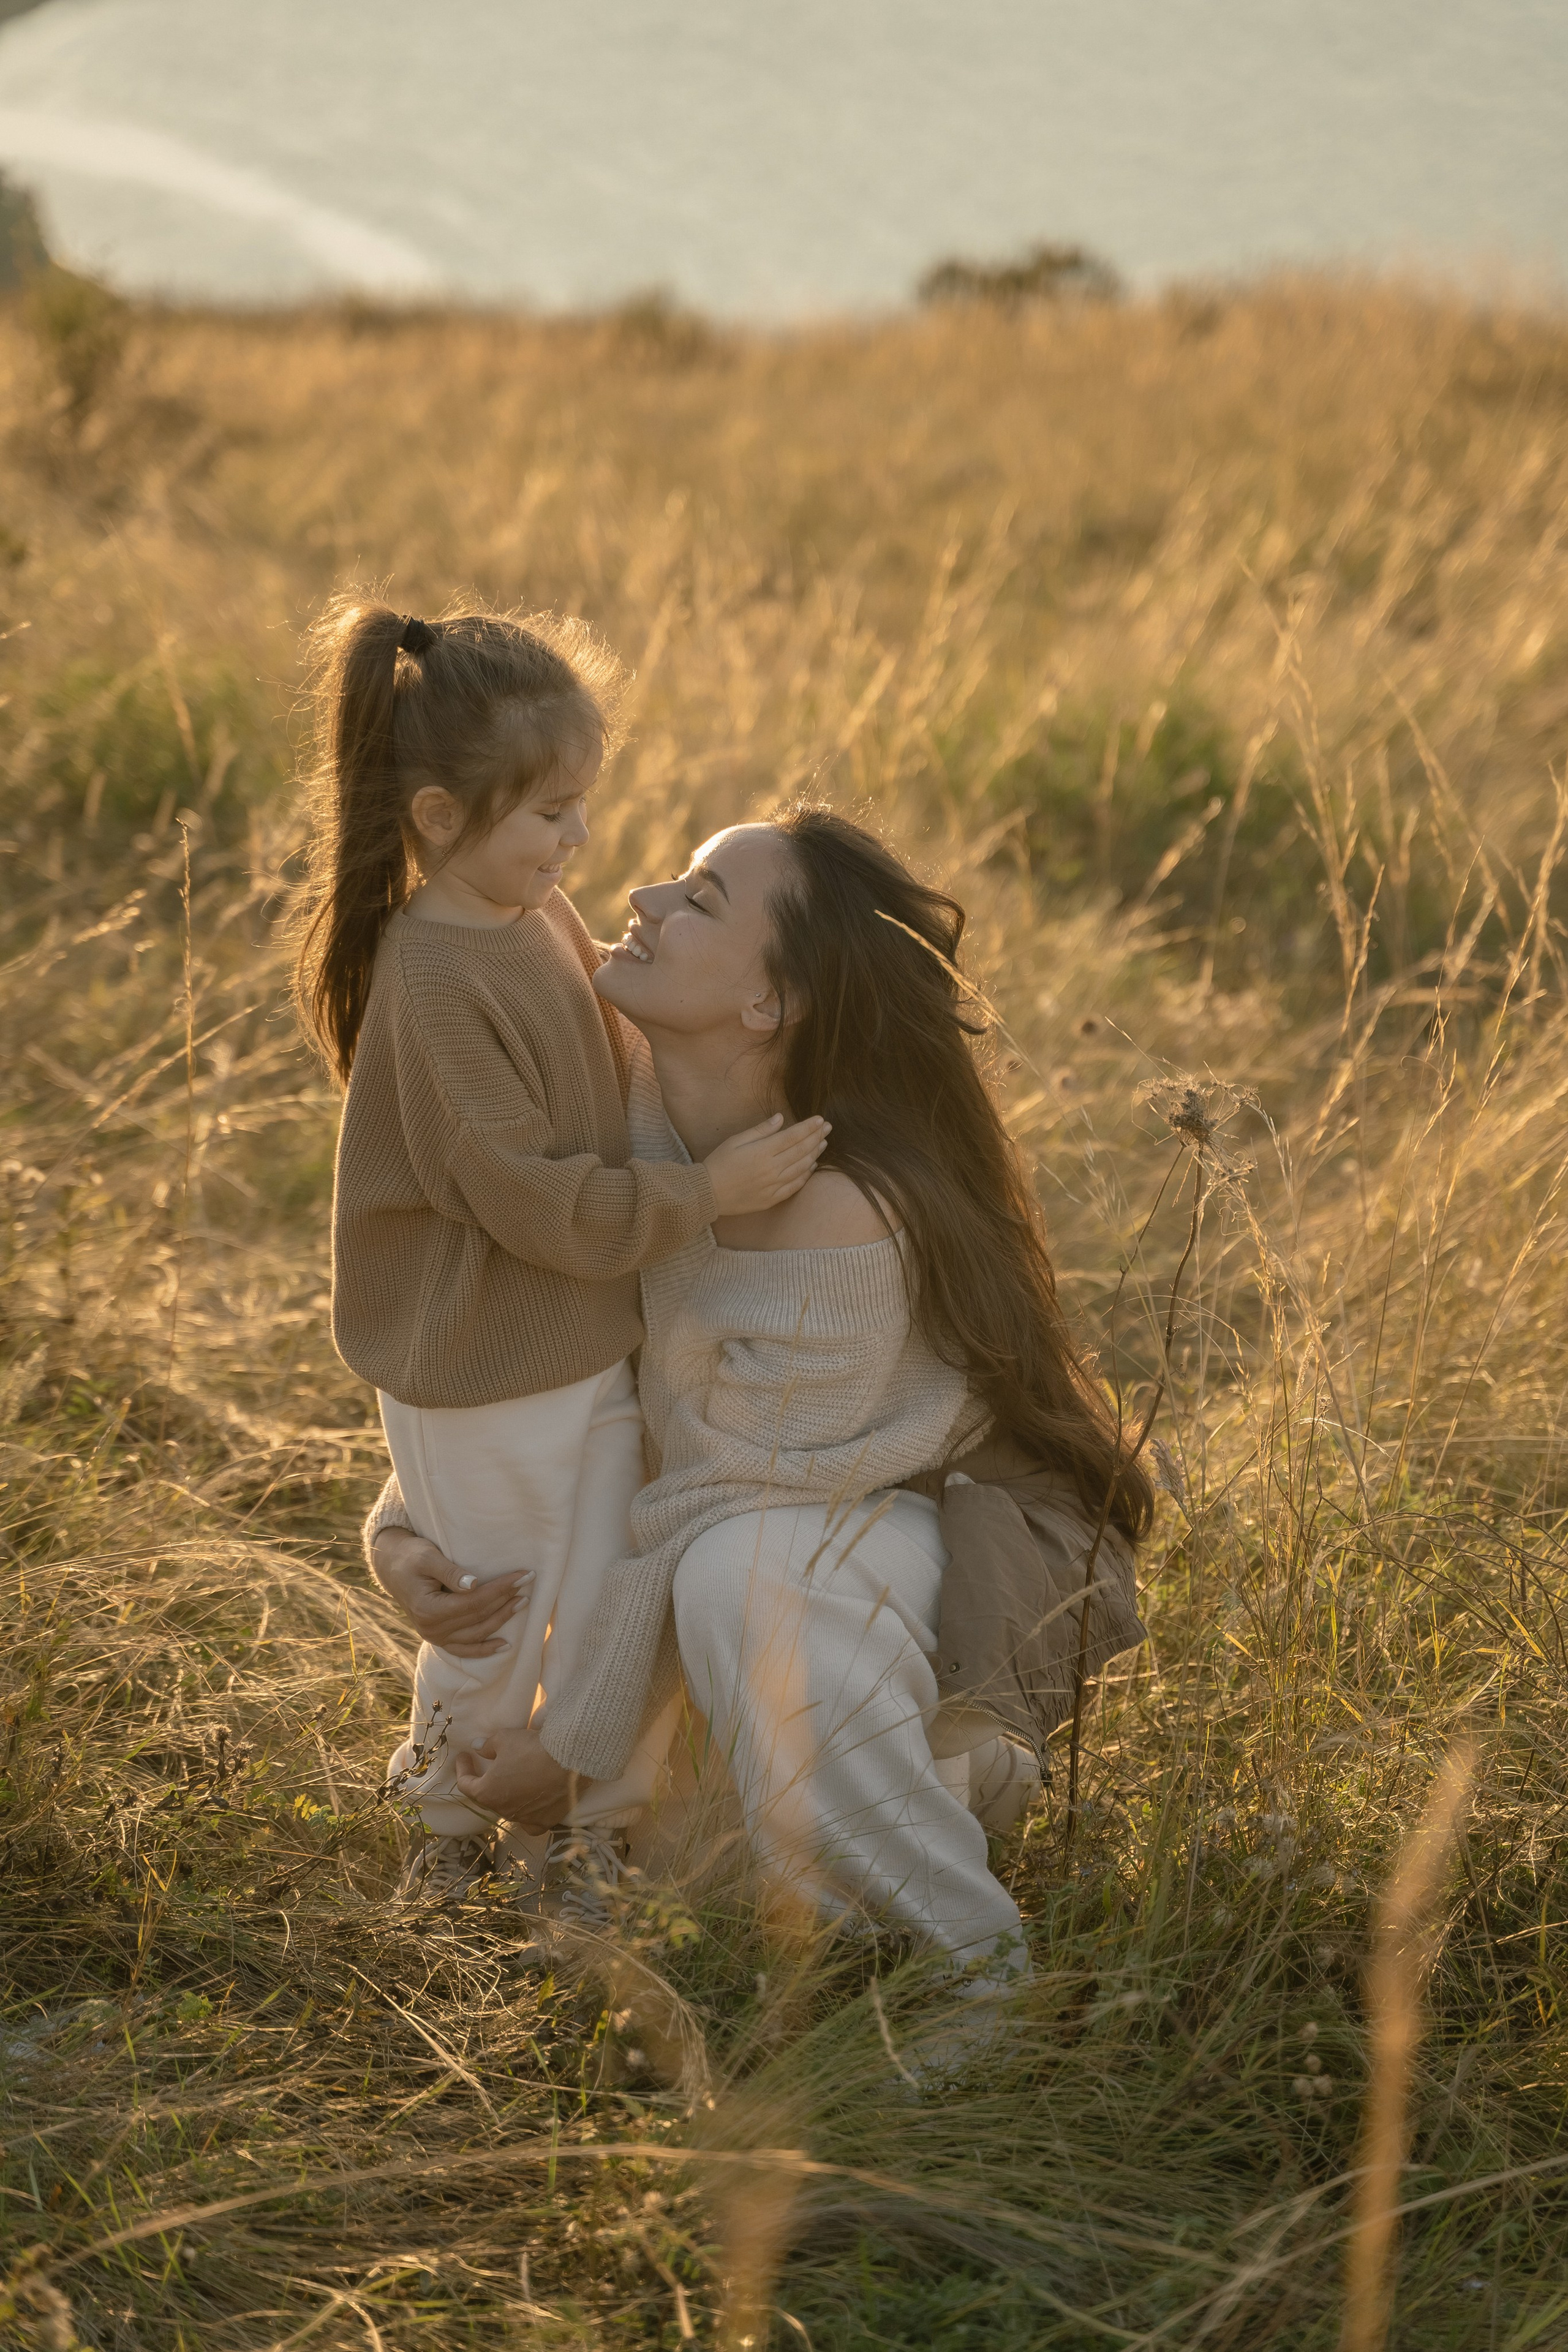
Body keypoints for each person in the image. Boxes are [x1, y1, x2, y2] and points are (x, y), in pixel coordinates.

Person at [369, 809, 1152, 1983]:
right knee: (672, 1875)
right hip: (724, 1540)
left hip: (896, 1529)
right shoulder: (622, 1109)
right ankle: (862, 1827)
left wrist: (579, 1746)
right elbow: (532, 1344)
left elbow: (716, 1503)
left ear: (768, 1006)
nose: (642, 898)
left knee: (748, 1577)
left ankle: (973, 1969)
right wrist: (408, 1523)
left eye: (700, 898)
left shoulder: (841, 1212)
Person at [292, 597, 829, 1900]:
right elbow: (527, 1198)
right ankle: (439, 1831)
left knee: (601, 1599)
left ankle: (584, 1830)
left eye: (581, 804)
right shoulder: (428, 980)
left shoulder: (534, 911)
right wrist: (705, 1195)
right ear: (437, 819)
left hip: (582, 1331)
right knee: (492, 1612)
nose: (577, 837)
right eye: (549, 814)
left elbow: (617, 1046)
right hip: (483, 1363)